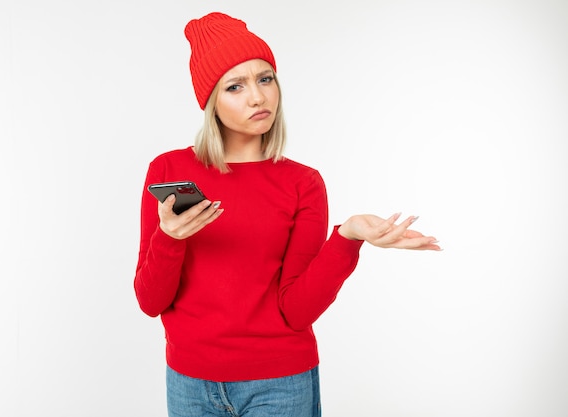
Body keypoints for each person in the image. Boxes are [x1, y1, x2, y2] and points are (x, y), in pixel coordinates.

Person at [134, 11, 441, 417]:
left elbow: (297, 310)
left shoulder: (303, 183)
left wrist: (347, 237)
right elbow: (150, 300)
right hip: (190, 383)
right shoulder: (169, 172)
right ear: (210, 101)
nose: (258, 97)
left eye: (265, 79)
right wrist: (170, 238)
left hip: (279, 384)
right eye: (235, 86)